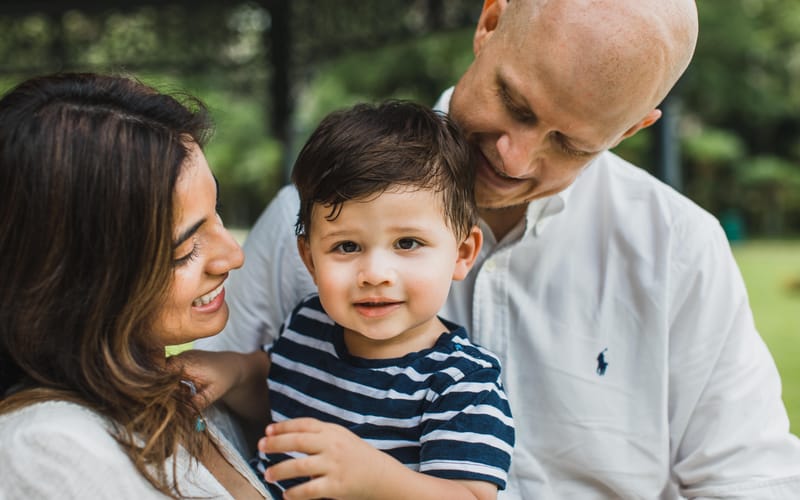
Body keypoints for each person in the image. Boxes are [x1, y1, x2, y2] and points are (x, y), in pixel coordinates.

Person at [197, 0, 800, 498]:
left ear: (631, 129)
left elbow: (748, 479)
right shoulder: (308, 217)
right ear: (489, 23)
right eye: (514, 104)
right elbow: (213, 420)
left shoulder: (680, 250)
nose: (515, 159)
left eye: (571, 143)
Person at [185, 101, 514, 500]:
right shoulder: (309, 326)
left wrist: (375, 479)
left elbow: (471, 496)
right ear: (309, 258)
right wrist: (231, 372)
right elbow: (273, 388)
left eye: (407, 243)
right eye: (346, 246)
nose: (375, 273)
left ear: (462, 254)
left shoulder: (462, 381)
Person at [0, 72, 272, 499]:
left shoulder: (172, 385)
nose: (232, 256)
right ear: (81, 281)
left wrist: (241, 373)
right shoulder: (44, 450)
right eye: (184, 249)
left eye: (216, 214)